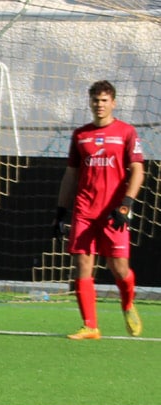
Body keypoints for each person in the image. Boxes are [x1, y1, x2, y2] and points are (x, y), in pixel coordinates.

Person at [56, 79, 145, 340]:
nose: (99, 105)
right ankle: (90, 326)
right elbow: (71, 175)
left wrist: (126, 204)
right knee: (82, 263)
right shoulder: (81, 135)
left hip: (113, 212)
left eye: (104, 100)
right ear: (90, 103)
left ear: (113, 103)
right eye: (95, 100)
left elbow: (138, 170)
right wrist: (61, 210)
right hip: (84, 210)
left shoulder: (126, 133)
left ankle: (127, 303)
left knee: (119, 269)